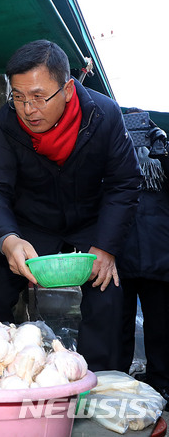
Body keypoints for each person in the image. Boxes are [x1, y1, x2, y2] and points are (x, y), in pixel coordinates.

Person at [0, 40, 141, 371]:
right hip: (32, 223)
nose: (27, 109)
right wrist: (8, 238)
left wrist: (106, 247)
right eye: (18, 97)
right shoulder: (7, 122)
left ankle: (96, 384)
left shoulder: (103, 114)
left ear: (66, 89)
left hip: (91, 222)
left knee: (108, 298)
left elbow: (125, 183)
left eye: (38, 97)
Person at [117, 109, 169, 405]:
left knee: (129, 323)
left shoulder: (160, 153)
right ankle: (157, 381)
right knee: (156, 324)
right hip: (145, 256)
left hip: (139, 256)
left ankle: (128, 380)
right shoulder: (159, 155)